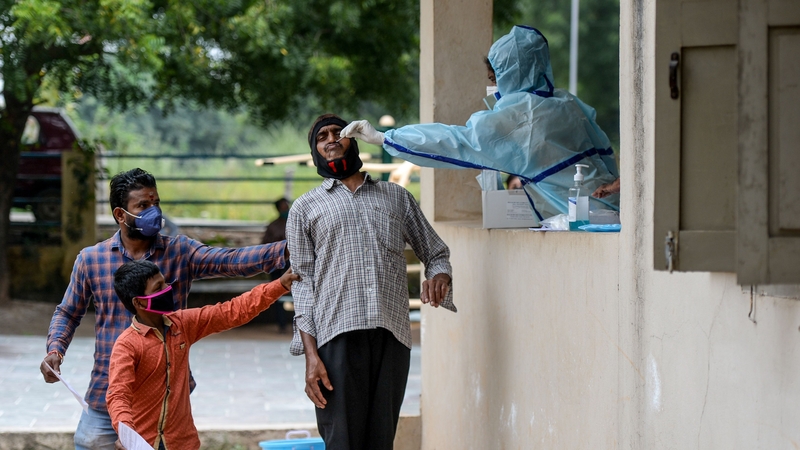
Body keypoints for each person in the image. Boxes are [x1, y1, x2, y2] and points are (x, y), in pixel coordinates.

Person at [39, 168, 289, 450]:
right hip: (106, 395)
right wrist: (55, 349)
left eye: (156, 203)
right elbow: (68, 312)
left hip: (165, 399)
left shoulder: (179, 252)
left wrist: (286, 250)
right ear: (120, 215)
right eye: (143, 206)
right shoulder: (91, 260)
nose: (153, 211)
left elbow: (230, 261)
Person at [287, 114, 456, 450]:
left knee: (380, 441)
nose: (332, 139)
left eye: (339, 132)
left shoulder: (396, 197)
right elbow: (302, 284)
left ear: (354, 139)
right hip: (335, 336)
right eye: (323, 136)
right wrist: (310, 355)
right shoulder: (305, 208)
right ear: (316, 150)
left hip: (391, 335)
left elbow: (436, 251)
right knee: (343, 442)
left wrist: (439, 274)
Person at [341, 25, 620, 221]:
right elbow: (607, 156)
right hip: (613, 205)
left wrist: (386, 138)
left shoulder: (518, 117)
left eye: (494, 78)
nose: (493, 87)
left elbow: (455, 142)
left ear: (510, 75)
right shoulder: (566, 103)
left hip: (587, 217)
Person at [107, 260, 300, 450]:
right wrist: (127, 435)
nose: (168, 288)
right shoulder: (127, 345)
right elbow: (118, 395)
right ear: (139, 302)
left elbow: (232, 311)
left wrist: (279, 285)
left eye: (165, 282)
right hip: (143, 444)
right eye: (159, 287)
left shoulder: (181, 324)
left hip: (183, 442)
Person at [261, 197, 291, 332]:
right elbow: (265, 245)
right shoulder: (273, 226)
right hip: (277, 264)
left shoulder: (295, 222)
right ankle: (282, 323)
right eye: (283, 207)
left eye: (287, 206)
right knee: (277, 291)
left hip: (292, 263)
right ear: (278, 209)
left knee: (297, 294)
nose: (286, 209)